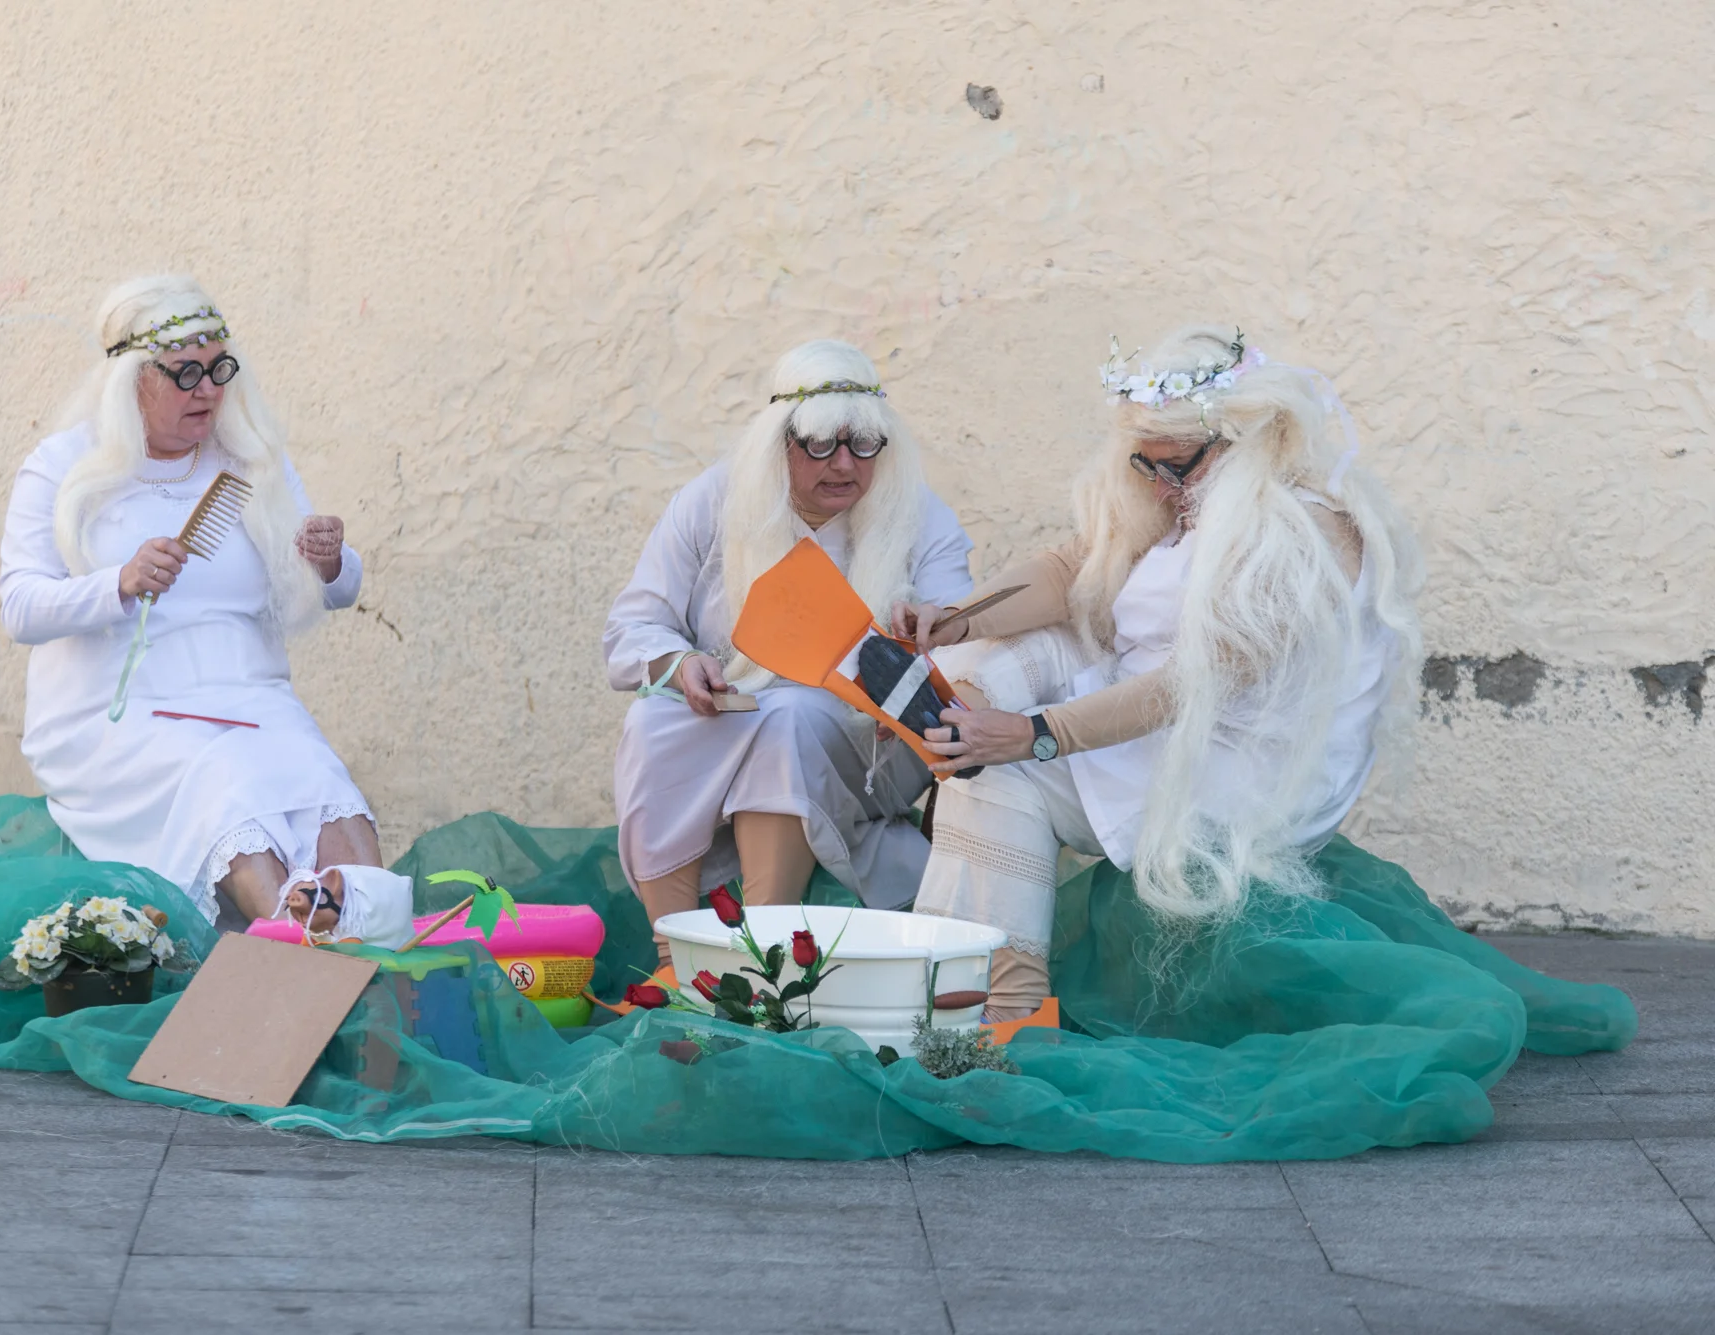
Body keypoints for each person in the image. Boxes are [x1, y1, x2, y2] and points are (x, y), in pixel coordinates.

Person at [892, 325, 1420, 1018]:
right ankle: (947, 729)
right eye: (1146, 466)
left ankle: (1003, 1008)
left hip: (1233, 773)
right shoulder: (1193, 500)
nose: (1162, 487)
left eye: (1177, 468)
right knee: (1017, 653)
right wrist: (957, 618)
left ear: (1246, 441)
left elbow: (1195, 683)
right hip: (1168, 723)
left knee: (993, 775)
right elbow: (1075, 568)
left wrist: (1034, 736)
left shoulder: (1301, 534)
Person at [0, 275, 410, 943]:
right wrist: (118, 583)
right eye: (186, 373)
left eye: (220, 368)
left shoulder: (250, 460)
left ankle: (372, 945)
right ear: (132, 379)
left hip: (248, 696)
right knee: (229, 779)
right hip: (120, 715)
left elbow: (335, 589)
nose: (210, 390)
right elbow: (20, 607)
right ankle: (296, 954)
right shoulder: (62, 465)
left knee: (319, 781)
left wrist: (330, 561)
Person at [605, 340, 974, 962]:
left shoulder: (918, 514)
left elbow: (961, 638)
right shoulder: (712, 501)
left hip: (869, 739)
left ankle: (762, 955)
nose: (845, 465)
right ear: (779, 441)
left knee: (790, 716)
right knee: (651, 719)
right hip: (734, 715)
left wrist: (933, 634)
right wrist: (680, 663)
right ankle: (674, 950)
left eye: (864, 444)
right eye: (821, 444)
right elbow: (634, 625)